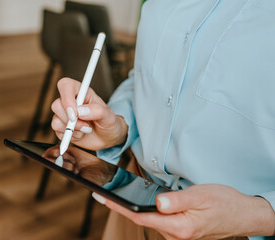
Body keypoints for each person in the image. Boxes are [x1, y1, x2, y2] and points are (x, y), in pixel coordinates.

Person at [50, 0, 275, 239]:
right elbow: (145, 77)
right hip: (134, 200)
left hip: (236, 232)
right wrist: (119, 126)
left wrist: (259, 214)